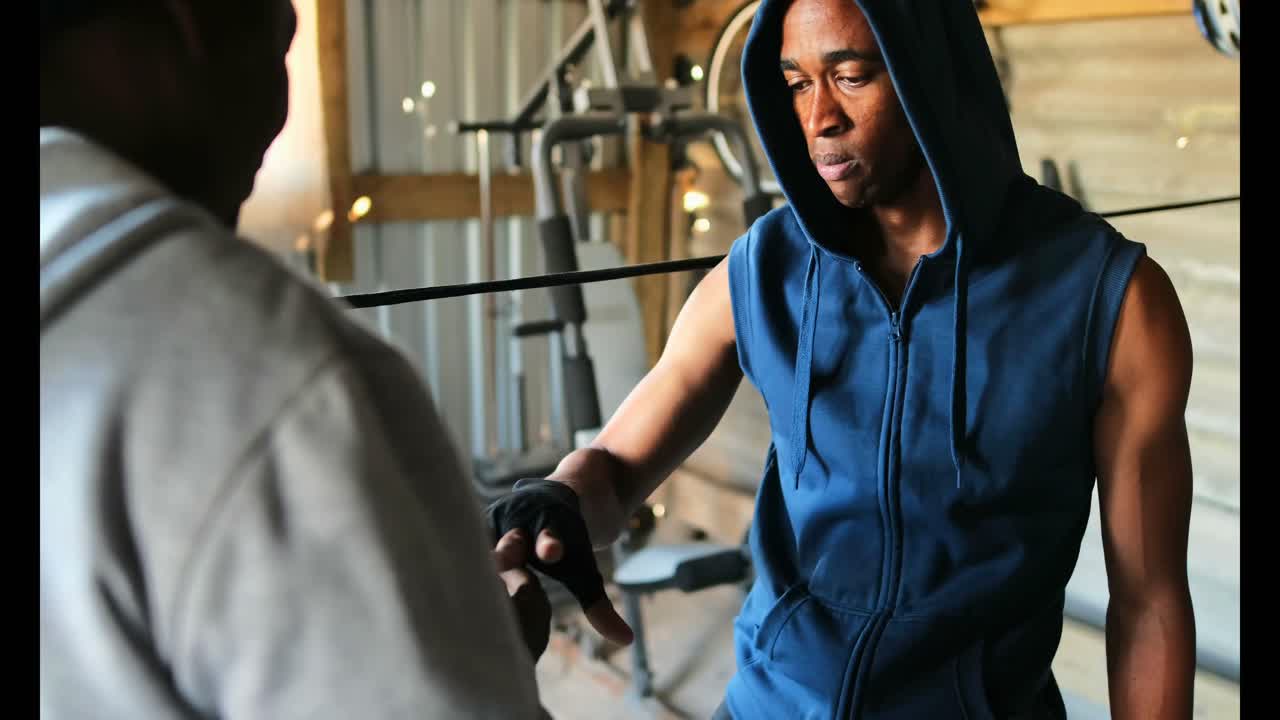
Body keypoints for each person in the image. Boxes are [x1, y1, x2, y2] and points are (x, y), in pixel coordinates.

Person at [487, 0, 1197, 718]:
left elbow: (1148, 602)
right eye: (797, 82)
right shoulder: (763, 270)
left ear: (932, 77)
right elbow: (616, 464)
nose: (818, 116)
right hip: (772, 705)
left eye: (851, 76)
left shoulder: (1111, 300)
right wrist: (560, 503)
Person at [40, 2, 553, 718]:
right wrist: (478, 647)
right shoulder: (273, 380)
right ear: (198, 25)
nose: (276, 123)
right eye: (280, 39)